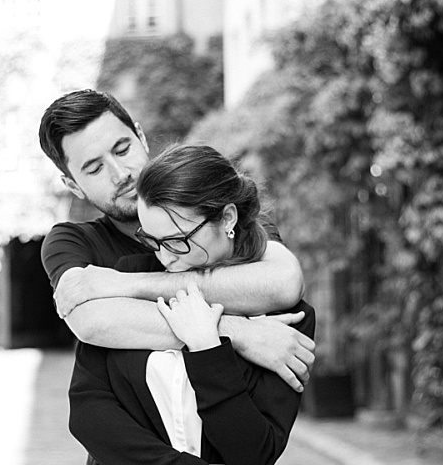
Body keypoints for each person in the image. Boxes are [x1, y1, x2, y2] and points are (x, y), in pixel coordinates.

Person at [66, 143, 314, 465]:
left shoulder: (285, 317)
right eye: (152, 239)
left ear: (226, 218)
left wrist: (206, 344)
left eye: (177, 241)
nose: (165, 257)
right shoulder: (131, 280)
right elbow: (90, 414)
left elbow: (252, 453)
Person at [38, 89, 314, 394]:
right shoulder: (73, 242)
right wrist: (237, 332)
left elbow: (283, 282)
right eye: (94, 168)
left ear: (141, 137)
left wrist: (125, 285)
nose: (120, 174)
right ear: (73, 185)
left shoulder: (216, 212)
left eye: (122, 149)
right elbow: (91, 320)